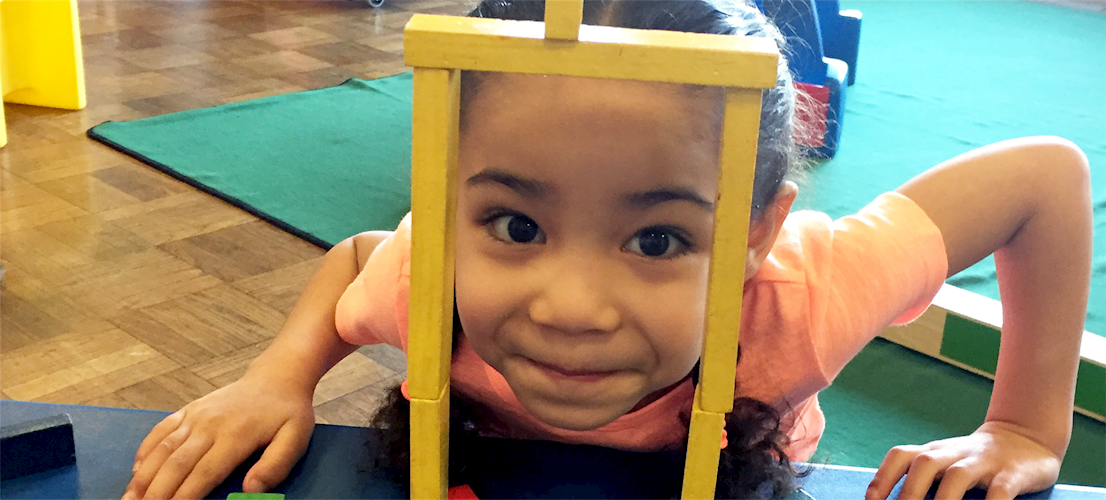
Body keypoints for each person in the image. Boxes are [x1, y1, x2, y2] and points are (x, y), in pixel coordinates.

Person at [119, 0, 1093, 499]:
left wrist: (1020, 428)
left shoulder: (801, 293)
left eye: (658, 237)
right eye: (514, 224)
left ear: (756, 234)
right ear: (448, 202)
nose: (570, 305)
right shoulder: (432, 284)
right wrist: (277, 375)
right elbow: (357, 257)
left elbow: (1043, 177)